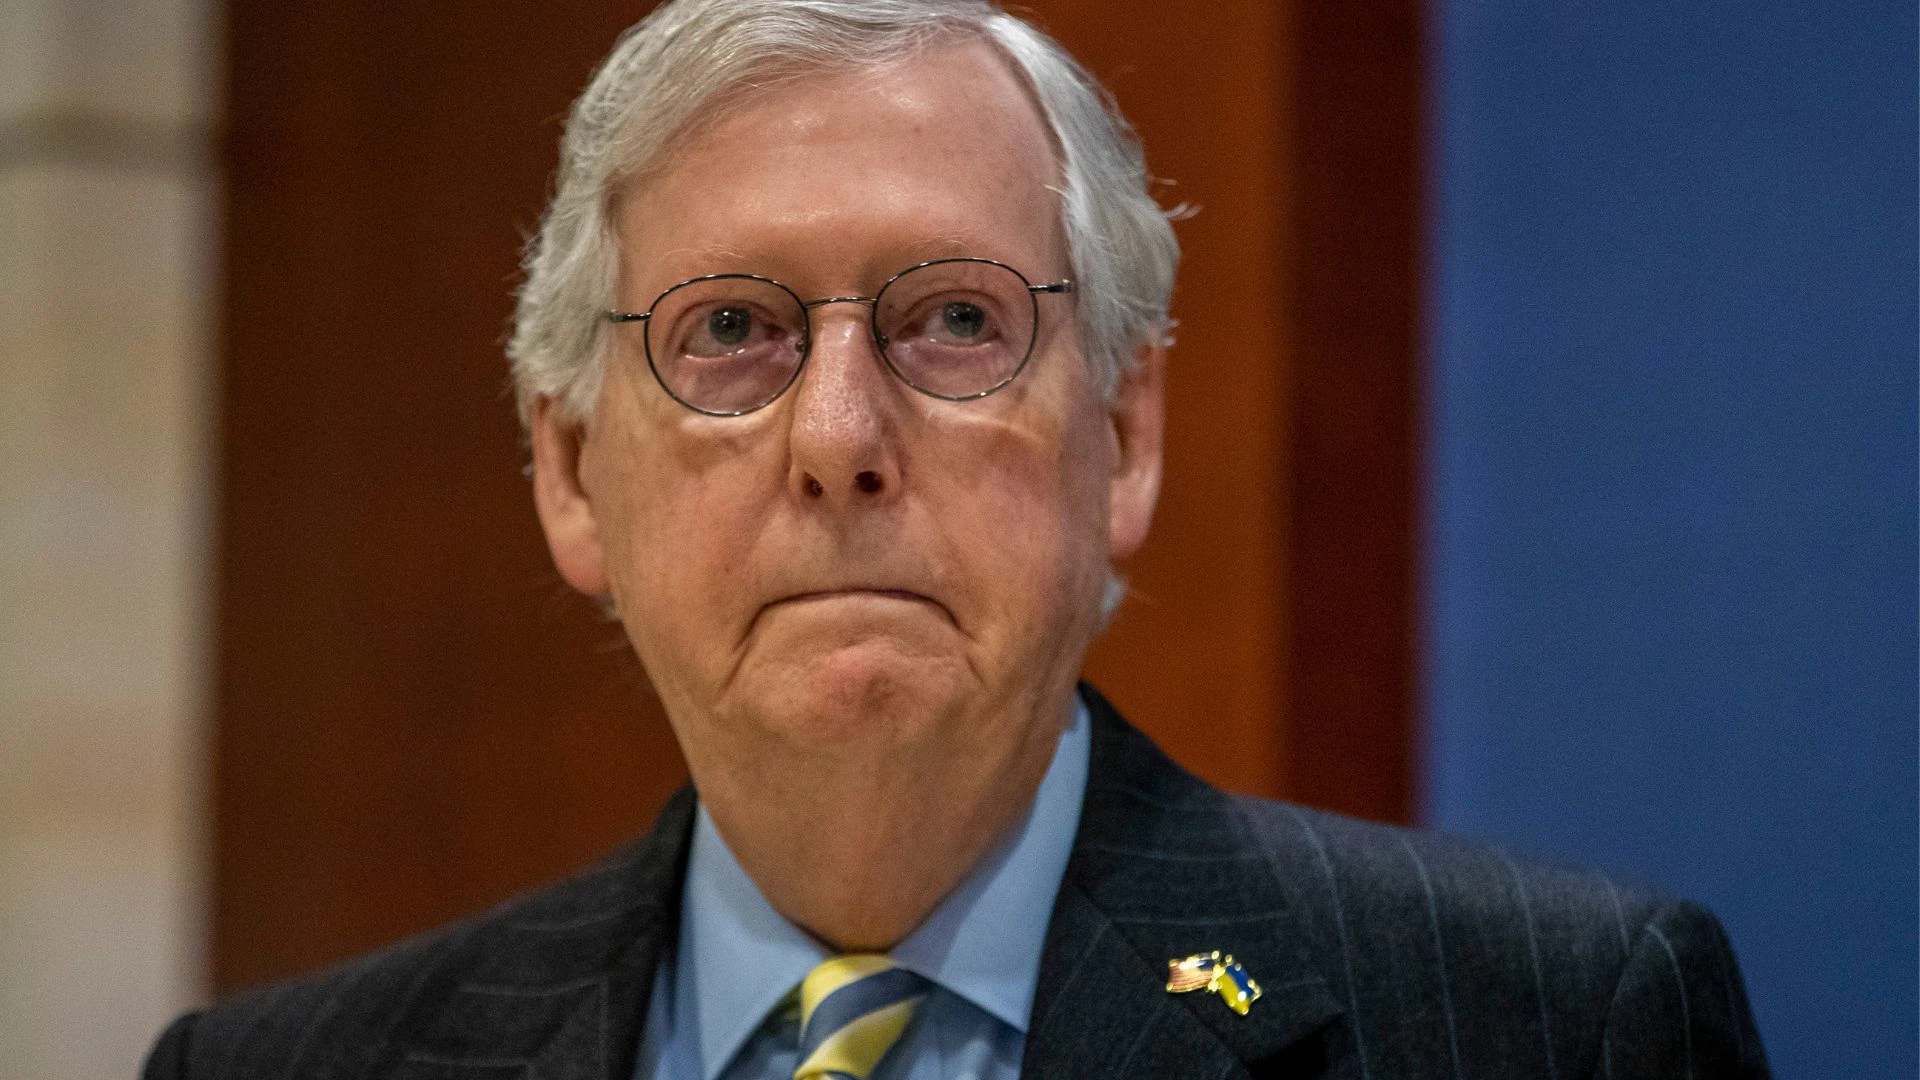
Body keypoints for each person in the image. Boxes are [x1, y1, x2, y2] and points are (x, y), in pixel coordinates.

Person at [143, 1, 1769, 1077]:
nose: (842, 440)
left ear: (1121, 441)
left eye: (954, 321)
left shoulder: (1550, 1023)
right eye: (728, 331)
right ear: (572, 476)